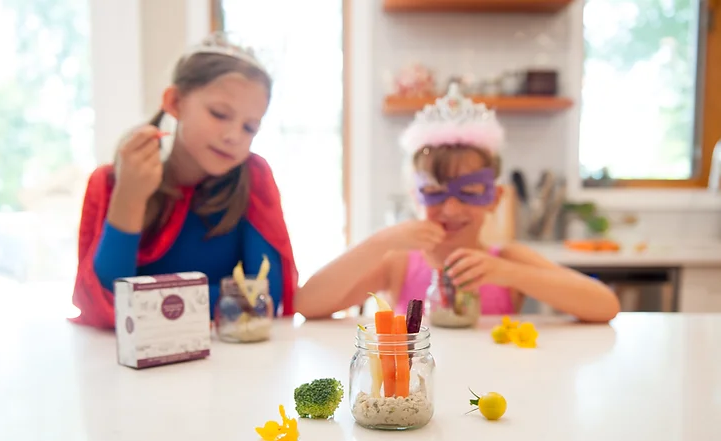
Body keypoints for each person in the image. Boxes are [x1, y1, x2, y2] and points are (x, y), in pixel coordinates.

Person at [295, 84, 620, 323]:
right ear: (414, 195)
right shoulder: (399, 263)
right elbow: (308, 304)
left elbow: (605, 306)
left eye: (469, 192)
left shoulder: (507, 258)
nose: (451, 209)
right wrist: (381, 241)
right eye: (435, 192)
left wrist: (508, 273)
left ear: (494, 197)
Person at [71, 32, 298, 329]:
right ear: (174, 102)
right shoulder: (111, 182)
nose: (233, 136)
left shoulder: (252, 177)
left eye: (249, 128)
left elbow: (264, 297)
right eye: (219, 114)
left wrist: (148, 303)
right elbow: (104, 305)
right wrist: (130, 196)